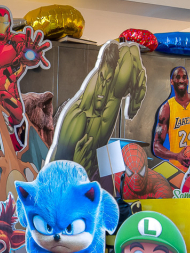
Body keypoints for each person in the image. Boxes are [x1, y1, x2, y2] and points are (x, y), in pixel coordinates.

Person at [50, 41, 147, 178]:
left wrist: (135, 99)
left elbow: (109, 181)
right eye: (102, 78)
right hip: (71, 180)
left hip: (96, 172)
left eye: (108, 81)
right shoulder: (78, 117)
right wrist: (78, 164)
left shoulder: (115, 93)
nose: (103, 86)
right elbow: (55, 173)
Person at [152, 66, 190, 187]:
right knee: (181, 197)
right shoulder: (166, 108)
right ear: (172, 81)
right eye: (178, 77)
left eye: (184, 77)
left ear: (187, 81)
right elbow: (156, 146)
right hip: (178, 168)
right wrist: (177, 156)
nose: (181, 80)